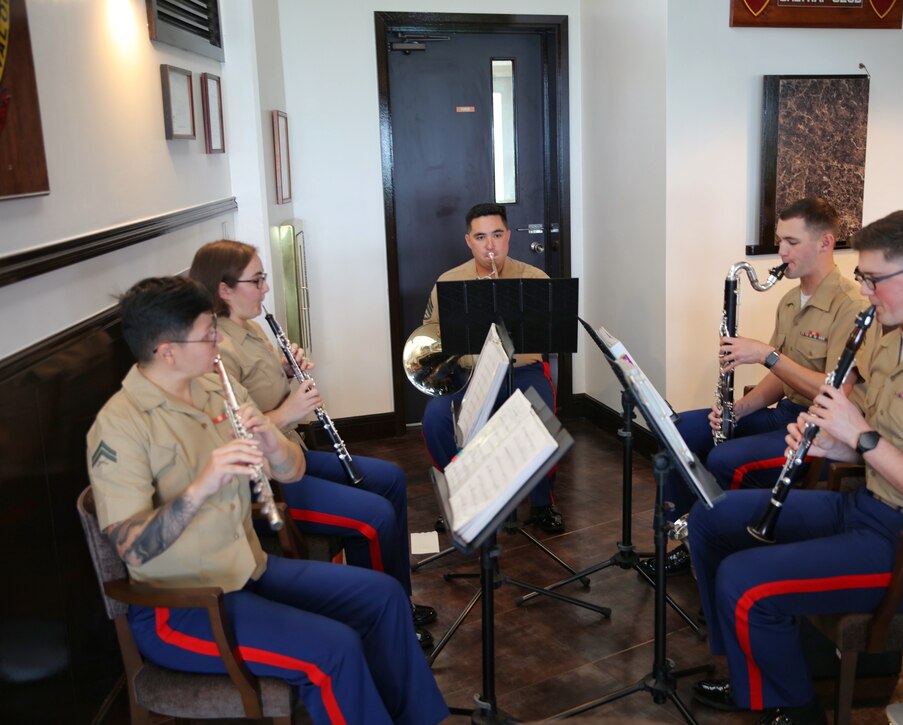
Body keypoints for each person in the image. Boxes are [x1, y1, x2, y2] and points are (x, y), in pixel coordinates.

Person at [685, 207, 903, 725]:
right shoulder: (891, 338)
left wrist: (859, 436)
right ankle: (752, 677)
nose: (863, 291)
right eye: (862, 277)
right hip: (866, 505)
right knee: (711, 520)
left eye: (874, 279)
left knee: (744, 580)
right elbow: (878, 447)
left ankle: (799, 711)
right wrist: (830, 446)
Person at [86, 276, 448, 724]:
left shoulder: (214, 386)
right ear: (167, 351)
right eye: (208, 335)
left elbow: (292, 471)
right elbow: (130, 546)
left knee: (384, 597)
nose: (218, 342)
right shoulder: (120, 426)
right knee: (332, 651)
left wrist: (272, 443)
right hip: (183, 607)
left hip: (249, 568)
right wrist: (202, 485)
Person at [188, 240, 437, 648]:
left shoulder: (249, 325)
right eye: (257, 279)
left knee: (390, 478)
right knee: (374, 516)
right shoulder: (217, 350)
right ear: (224, 289)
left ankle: (399, 601)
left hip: (292, 453)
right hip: (268, 478)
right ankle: (379, 621)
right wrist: (291, 409)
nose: (266, 287)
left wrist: (285, 367)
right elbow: (236, 434)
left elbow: (261, 389)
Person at [643, 198, 870, 577]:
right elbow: (781, 380)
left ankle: (729, 558)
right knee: (681, 432)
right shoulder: (789, 300)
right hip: (785, 414)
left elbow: (834, 393)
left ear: (826, 243)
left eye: (792, 242)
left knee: (724, 460)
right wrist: (740, 409)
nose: (781, 251)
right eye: (780, 240)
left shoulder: (850, 306)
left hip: (823, 429)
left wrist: (767, 355)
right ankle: (687, 537)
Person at [420, 202, 564, 532]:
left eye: (497, 235)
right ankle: (461, 495)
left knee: (543, 412)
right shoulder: (449, 282)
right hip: (467, 374)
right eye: (481, 237)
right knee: (436, 417)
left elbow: (548, 336)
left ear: (508, 236)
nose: (490, 246)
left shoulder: (534, 278)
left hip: (521, 369)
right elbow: (432, 335)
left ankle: (543, 502)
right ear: (468, 241)